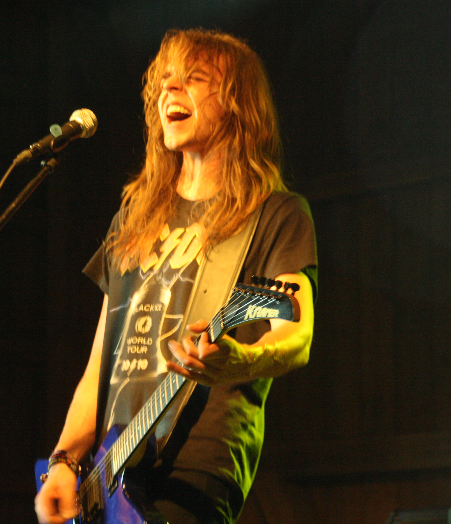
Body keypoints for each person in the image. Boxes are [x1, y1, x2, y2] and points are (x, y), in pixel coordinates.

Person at [35, 28, 318, 524]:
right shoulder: (134, 218)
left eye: (194, 78)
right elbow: (101, 363)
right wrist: (64, 459)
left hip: (196, 465)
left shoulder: (275, 214)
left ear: (236, 102)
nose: (170, 89)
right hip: (110, 473)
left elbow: (297, 334)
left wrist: (240, 361)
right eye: (165, 80)